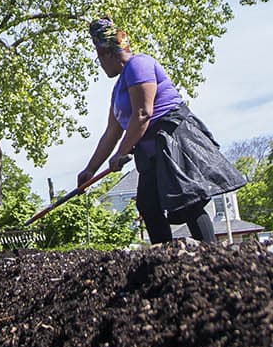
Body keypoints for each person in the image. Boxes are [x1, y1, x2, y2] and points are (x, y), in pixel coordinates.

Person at [76, 18, 245, 245]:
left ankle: (212, 253)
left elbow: (143, 113)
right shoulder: (118, 89)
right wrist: (90, 170)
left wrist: (121, 153)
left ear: (106, 54)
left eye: (99, 59)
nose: (100, 65)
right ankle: (163, 259)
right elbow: (111, 133)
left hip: (173, 139)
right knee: (148, 205)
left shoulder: (139, 65)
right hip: (150, 151)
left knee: (188, 200)